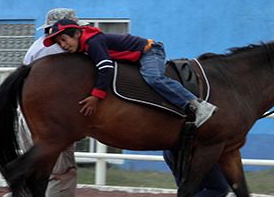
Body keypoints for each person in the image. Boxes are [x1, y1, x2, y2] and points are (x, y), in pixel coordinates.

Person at [0, 8, 84, 197]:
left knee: (36, 168)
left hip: (27, 116)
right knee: (62, 173)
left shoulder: (39, 45)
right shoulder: (60, 49)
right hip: (52, 119)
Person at [43, 19, 217, 127]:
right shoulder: (84, 46)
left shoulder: (93, 42)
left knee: (153, 77)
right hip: (135, 57)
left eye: (64, 40)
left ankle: (197, 105)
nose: (63, 45)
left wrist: (96, 96)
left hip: (149, 51)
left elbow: (106, 68)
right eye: (59, 43)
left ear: (77, 34)